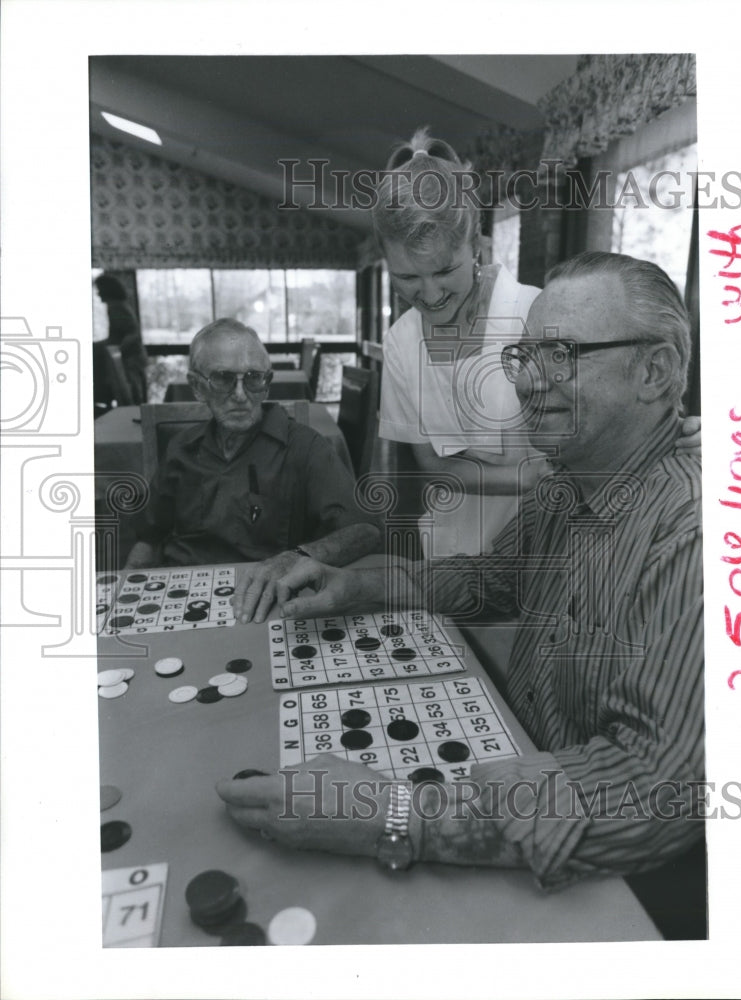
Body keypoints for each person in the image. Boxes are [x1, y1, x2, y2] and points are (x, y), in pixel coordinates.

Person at [217, 253, 705, 889]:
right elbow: (487, 580)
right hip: (517, 767)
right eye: (524, 356)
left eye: (560, 354)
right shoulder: (569, 483)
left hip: (616, 886)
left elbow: (656, 788)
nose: (529, 381)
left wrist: (394, 813)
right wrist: (357, 585)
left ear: (654, 370)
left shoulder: (694, 533)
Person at [373, 128, 701, 557]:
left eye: (444, 271)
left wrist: (686, 437)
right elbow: (432, 464)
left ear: (476, 244)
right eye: (408, 277)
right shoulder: (401, 341)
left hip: (559, 546)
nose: (430, 295)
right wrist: (529, 475)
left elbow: (623, 415)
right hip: (449, 549)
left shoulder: (540, 316)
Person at [127, 319, 381, 618]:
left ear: (267, 381)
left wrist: (298, 557)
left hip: (262, 601)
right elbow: (150, 537)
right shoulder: (181, 448)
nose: (240, 395)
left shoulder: (304, 446)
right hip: (181, 596)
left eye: (253, 378)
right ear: (197, 386)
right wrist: (128, 585)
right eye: (223, 379)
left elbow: (366, 530)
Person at [94, 273, 149, 404]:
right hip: (131, 357)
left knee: (133, 397)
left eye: (99, 290)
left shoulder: (117, 307)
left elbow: (133, 333)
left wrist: (116, 350)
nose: (98, 294)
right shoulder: (118, 305)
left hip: (131, 359)